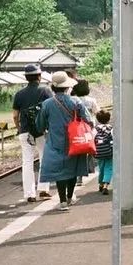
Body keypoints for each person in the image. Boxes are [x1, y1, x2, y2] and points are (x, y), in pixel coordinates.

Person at [35, 71, 94, 211]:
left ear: (53, 88)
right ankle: (69, 196)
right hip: (75, 141)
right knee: (72, 169)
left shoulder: (47, 104)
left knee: (59, 171)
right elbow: (89, 120)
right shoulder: (76, 101)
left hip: (55, 141)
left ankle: (62, 201)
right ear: (67, 87)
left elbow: (40, 125)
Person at [11, 63, 53, 202]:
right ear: (39, 76)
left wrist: (19, 128)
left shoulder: (19, 94)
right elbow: (50, 111)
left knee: (27, 162)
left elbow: (15, 116)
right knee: (44, 159)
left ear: (26, 77)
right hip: (41, 130)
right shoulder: (45, 91)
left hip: (25, 131)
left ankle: (30, 194)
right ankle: (43, 190)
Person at [94, 110, 113, 195]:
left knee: (101, 168)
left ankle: (100, 184)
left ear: (98, 119)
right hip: (109, 151)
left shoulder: (95, 129)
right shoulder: (110, 128)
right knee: (109, 168)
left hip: (99, 152)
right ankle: (105, 185)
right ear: (109, 119)